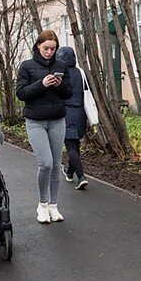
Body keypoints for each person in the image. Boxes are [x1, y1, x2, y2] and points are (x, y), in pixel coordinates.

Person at [16, 30, 72, 223]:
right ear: (38, 46)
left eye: (53, 49)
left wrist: (58, 84)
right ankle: (42, 204)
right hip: (35, 121)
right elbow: (21, 94)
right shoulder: (26, 66)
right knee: (45, 163)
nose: (49, 52)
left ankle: (53, 206)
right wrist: (42, 83)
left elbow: (68, 94)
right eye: (46, 48)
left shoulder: (61, 66)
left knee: (56, 165)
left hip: (57, 120)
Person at [56, 46, 89, 190]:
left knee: (70, 146)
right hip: (81, 113)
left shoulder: (60, 74)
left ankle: (81, 176)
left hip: (67, 112)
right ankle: (69, 172)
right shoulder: (80, 72)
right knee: (75, 145)